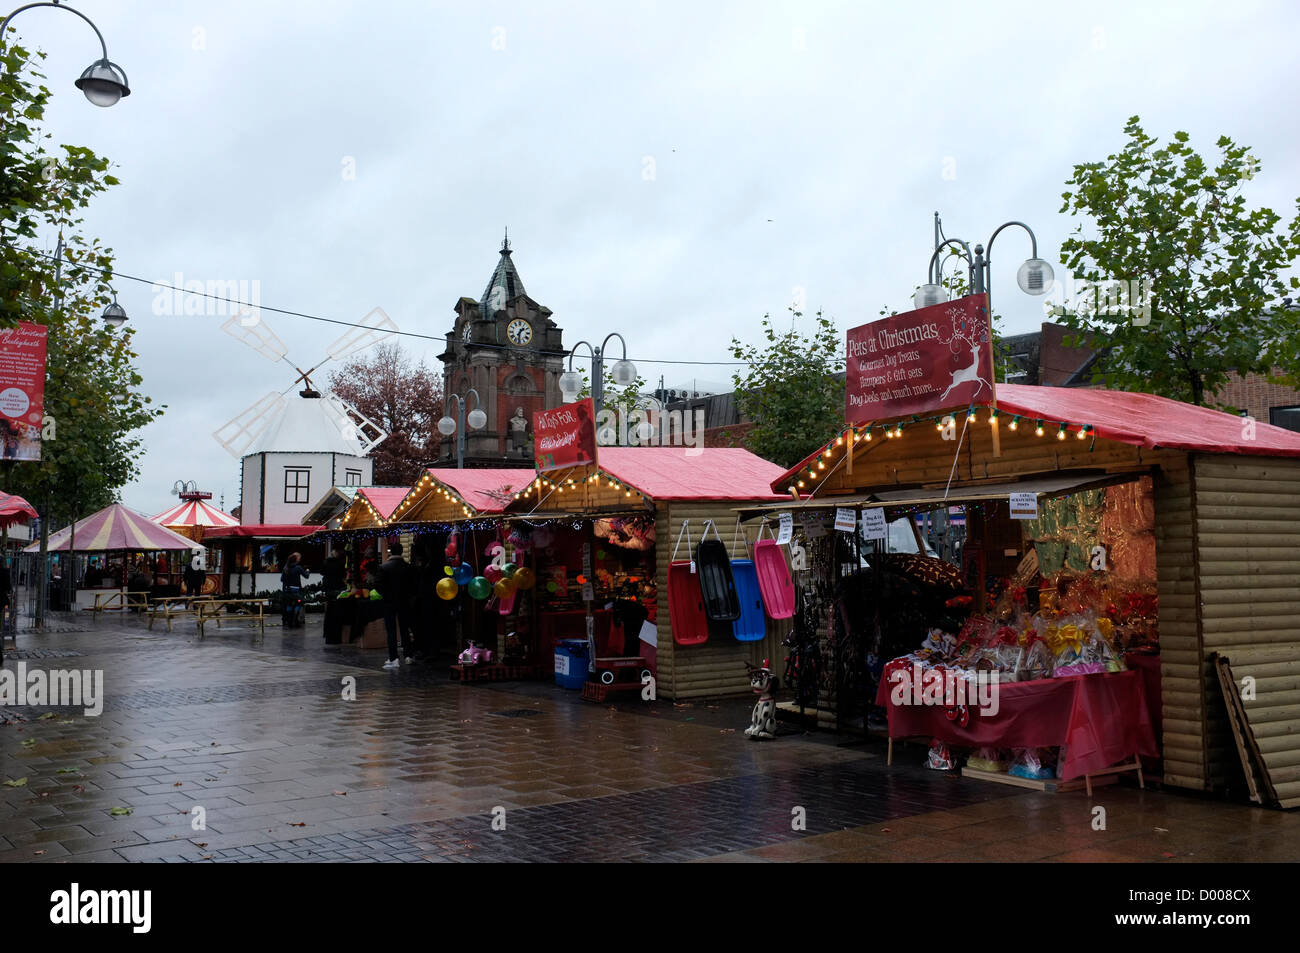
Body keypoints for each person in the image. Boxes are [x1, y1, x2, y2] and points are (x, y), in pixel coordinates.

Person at [377, 542, 413, 669]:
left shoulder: (384, 567)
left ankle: (394, 658)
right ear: (402, 551)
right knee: (405, 629)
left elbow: (378, 585)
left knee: (391, 630)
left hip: (389, 602)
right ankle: (408, 655)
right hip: (404, 602)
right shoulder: (408, 567)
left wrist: (385, 595)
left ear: (391, 551)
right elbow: (413, 585)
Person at [280, 552, 310, 628]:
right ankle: (295, 617)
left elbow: (282, 579)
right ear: (296, 560)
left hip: (287, 590)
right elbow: (306, 576)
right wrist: (307, 571)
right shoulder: (298, 568)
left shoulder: (285, 568)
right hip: (296, 590)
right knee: (299, 603)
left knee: (289, 604)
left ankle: (289, 620)